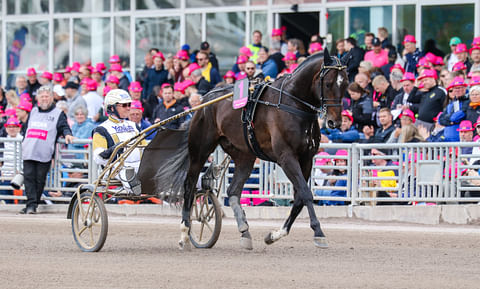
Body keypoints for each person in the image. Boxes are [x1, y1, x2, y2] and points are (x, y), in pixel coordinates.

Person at [20, 85, 74, 214]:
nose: (44, 99)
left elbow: (64, 126)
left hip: (44, 153)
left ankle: (32, 204)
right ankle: (31, 204)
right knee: (28, 178)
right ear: (38, 98)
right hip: (29, 151)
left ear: (51, 98)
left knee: (39, 180)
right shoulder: (33, 111)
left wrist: (67, 134)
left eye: (47, 96)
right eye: (42, 96)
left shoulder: (58, 113)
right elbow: (26, 129)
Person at [93, 89, 146, 196]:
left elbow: (144, 147)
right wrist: (113, 149)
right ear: (112, 107)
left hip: (139, 166)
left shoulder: (134, 126)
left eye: (129, 104)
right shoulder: (101, 129)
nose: (128, 108)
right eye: (124, 105)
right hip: (115, 169)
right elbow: (98, 157)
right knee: (126, 173)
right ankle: (133, 186)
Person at [0, 117, 23, 204]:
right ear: (6, 128)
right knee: (6, 201)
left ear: (19, 128)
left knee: (19, 201)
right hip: (5, 175)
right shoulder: (3, 141)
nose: (11, 129)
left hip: (19, 176)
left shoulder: (23, 140)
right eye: (9, 126)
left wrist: (20, 171)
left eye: (14, 126)